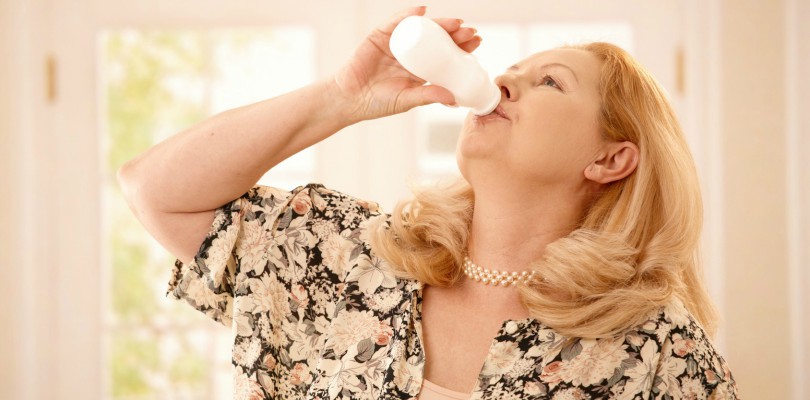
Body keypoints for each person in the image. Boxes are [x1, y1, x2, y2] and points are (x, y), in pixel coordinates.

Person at [118, 6, 739, 400]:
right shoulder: (347, 257)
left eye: (549, 81)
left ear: (609, 159)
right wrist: (343, 95)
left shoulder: (657, 352)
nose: (501, 80)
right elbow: (156, 192)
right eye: (512, 70)